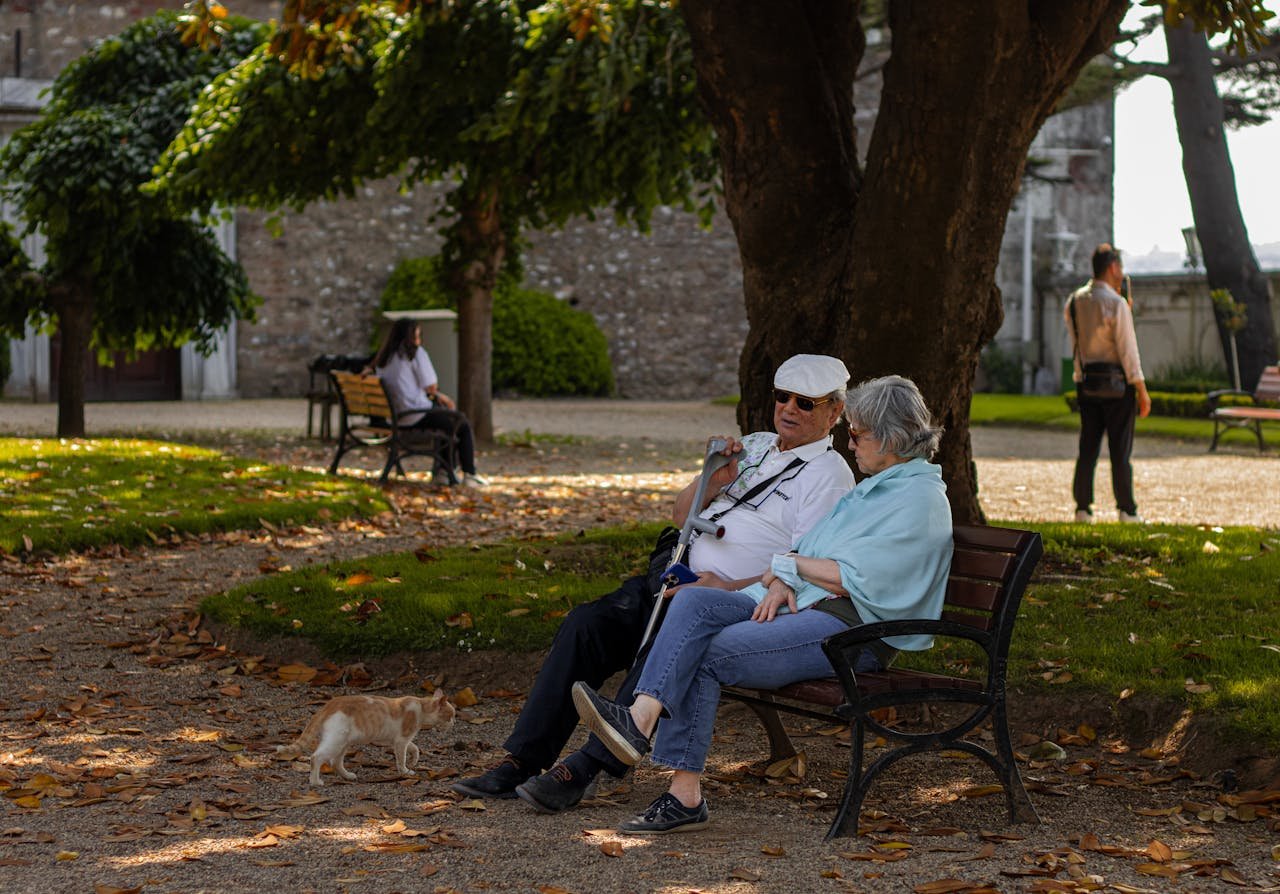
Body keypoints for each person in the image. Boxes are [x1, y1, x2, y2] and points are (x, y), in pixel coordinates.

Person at [450, 354, 856, 811]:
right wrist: (714, 480)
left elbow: (800, 566)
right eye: (783, 397)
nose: (789, 409)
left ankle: (585, 768)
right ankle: (522, 760)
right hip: (674, 574)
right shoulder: (756, 444)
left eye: (806, 402)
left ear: (834, 412)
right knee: (588, 624)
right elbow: (682, 516)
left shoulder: (830, 475)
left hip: (734, 600)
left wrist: (724, 586)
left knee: (664, 641)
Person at [572, 375, 953, 835]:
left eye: (856, 433)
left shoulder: (918, 498)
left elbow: (867, 579)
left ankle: (681, 794)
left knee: (710, 650)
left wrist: (791, 568)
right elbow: (816, 551)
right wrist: (782, 577)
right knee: (692, 603)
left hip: (855, 631)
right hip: (812, 607)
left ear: (892, 438)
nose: (849, 443)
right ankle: (639, 719)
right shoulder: (880, 487)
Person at [1064, 244, 1151, 523]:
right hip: (1117, 384)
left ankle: (1082, 508)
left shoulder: (1075, 301)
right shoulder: (1116, 303)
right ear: (1113, 267)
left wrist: (1079, 377)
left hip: (1087, 381)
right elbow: (1128, 351)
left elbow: (1075, 345)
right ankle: (1126, 509)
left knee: (1087, 447)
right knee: (1120, 449)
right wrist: (1141, 389)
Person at [371, 318, 486, 486]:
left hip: (394, 415)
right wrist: (439, 395)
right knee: (460, 422)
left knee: (446, 419)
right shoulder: (415, 353)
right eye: (417, 335)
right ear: (412, 337)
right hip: (414, 413)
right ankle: (468, 472)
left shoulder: (384, 358)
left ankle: (444, 470)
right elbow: (431, 386)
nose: (419, 339)